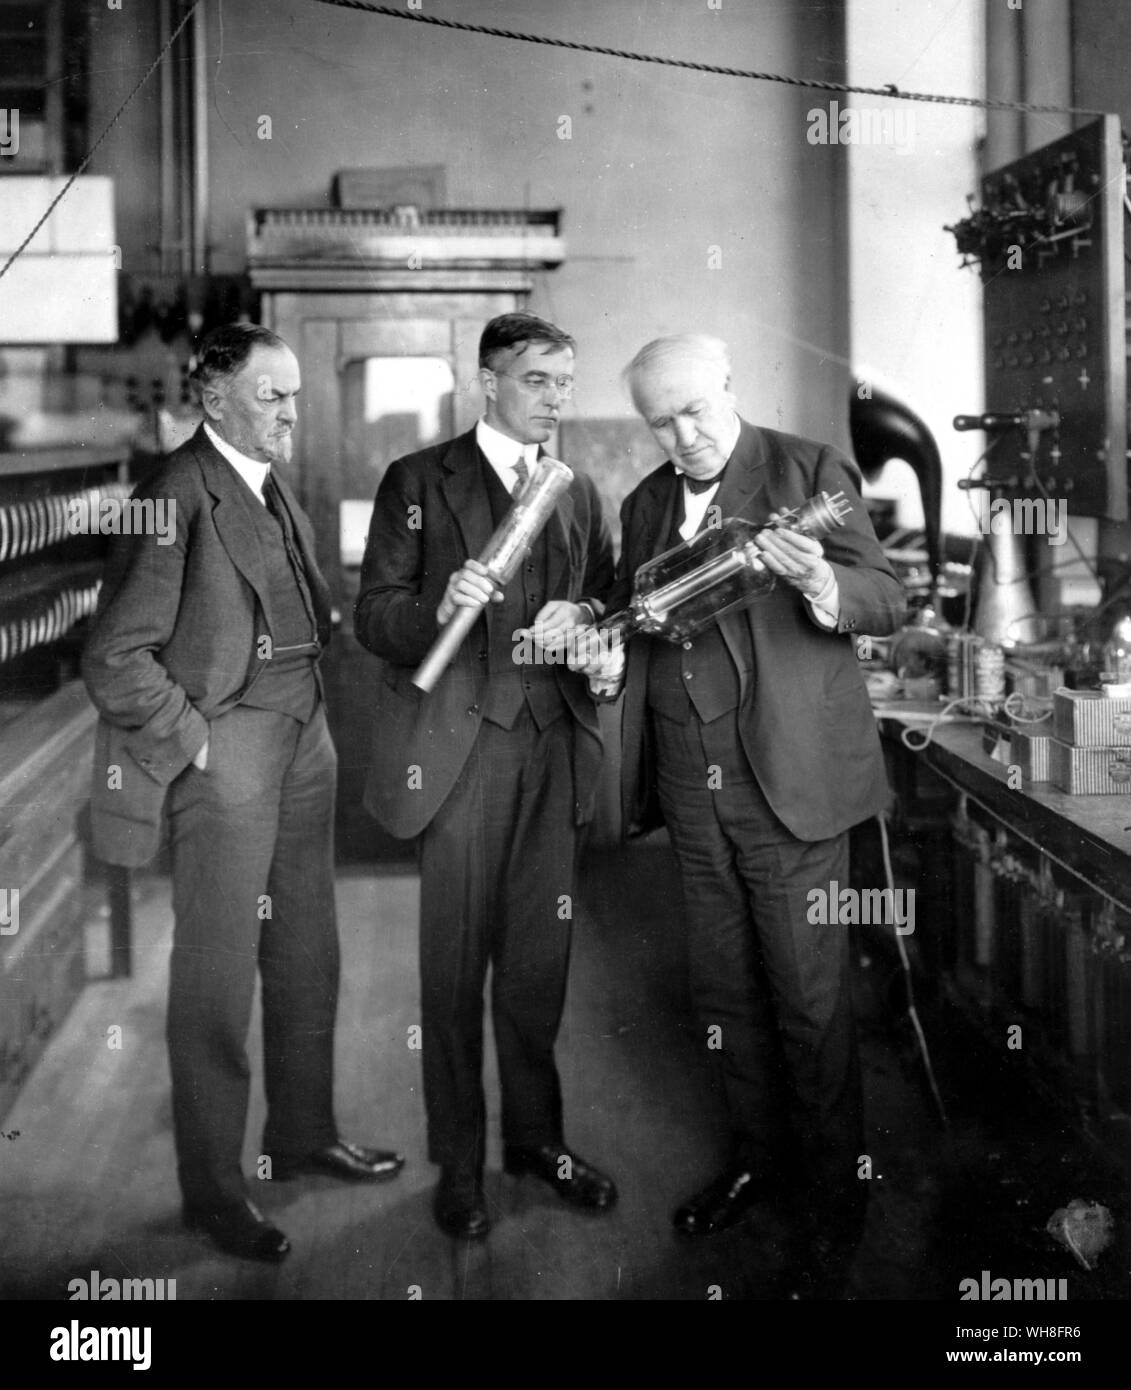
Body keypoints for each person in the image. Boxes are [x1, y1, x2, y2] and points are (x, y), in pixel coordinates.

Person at [572, 334, 905, 1294]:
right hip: (687, 782)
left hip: (788, 784)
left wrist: (818, 582)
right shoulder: (642, 506)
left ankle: (832, 1203)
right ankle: (758, 1161)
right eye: (658, 421)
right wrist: (594, 641)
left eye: (694, 411)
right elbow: (630, 626)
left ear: (728, 389)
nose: (680, 435)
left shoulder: (806, 469)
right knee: (722, 993)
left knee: (807, 1001)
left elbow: (885, 595)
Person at [82, 323, 404, 1264]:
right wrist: (201, 746)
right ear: (214, 399)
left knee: (308, 955)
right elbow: (115, 658)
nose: (290, 412)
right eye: (272, 396)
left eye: (295, 396)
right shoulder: (171, 494)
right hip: (229, 756)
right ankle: (216, 1194)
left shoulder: (266, 484)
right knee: (216, 982)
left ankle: (301, 1135)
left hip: (304, 739)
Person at [354, 312, 617, 1239]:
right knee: (454, 969)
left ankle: (536, 1144)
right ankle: (459, 1164)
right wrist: (441, 603)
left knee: (538, 967)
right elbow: (373, 618)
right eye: (539, 379)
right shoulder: (418, 481)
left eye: (566, 381)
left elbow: (609, 592)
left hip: (554, 746)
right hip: (460, 757)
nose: (557, 398)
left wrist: (580, 607)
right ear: (489, 381)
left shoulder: (573, 490)